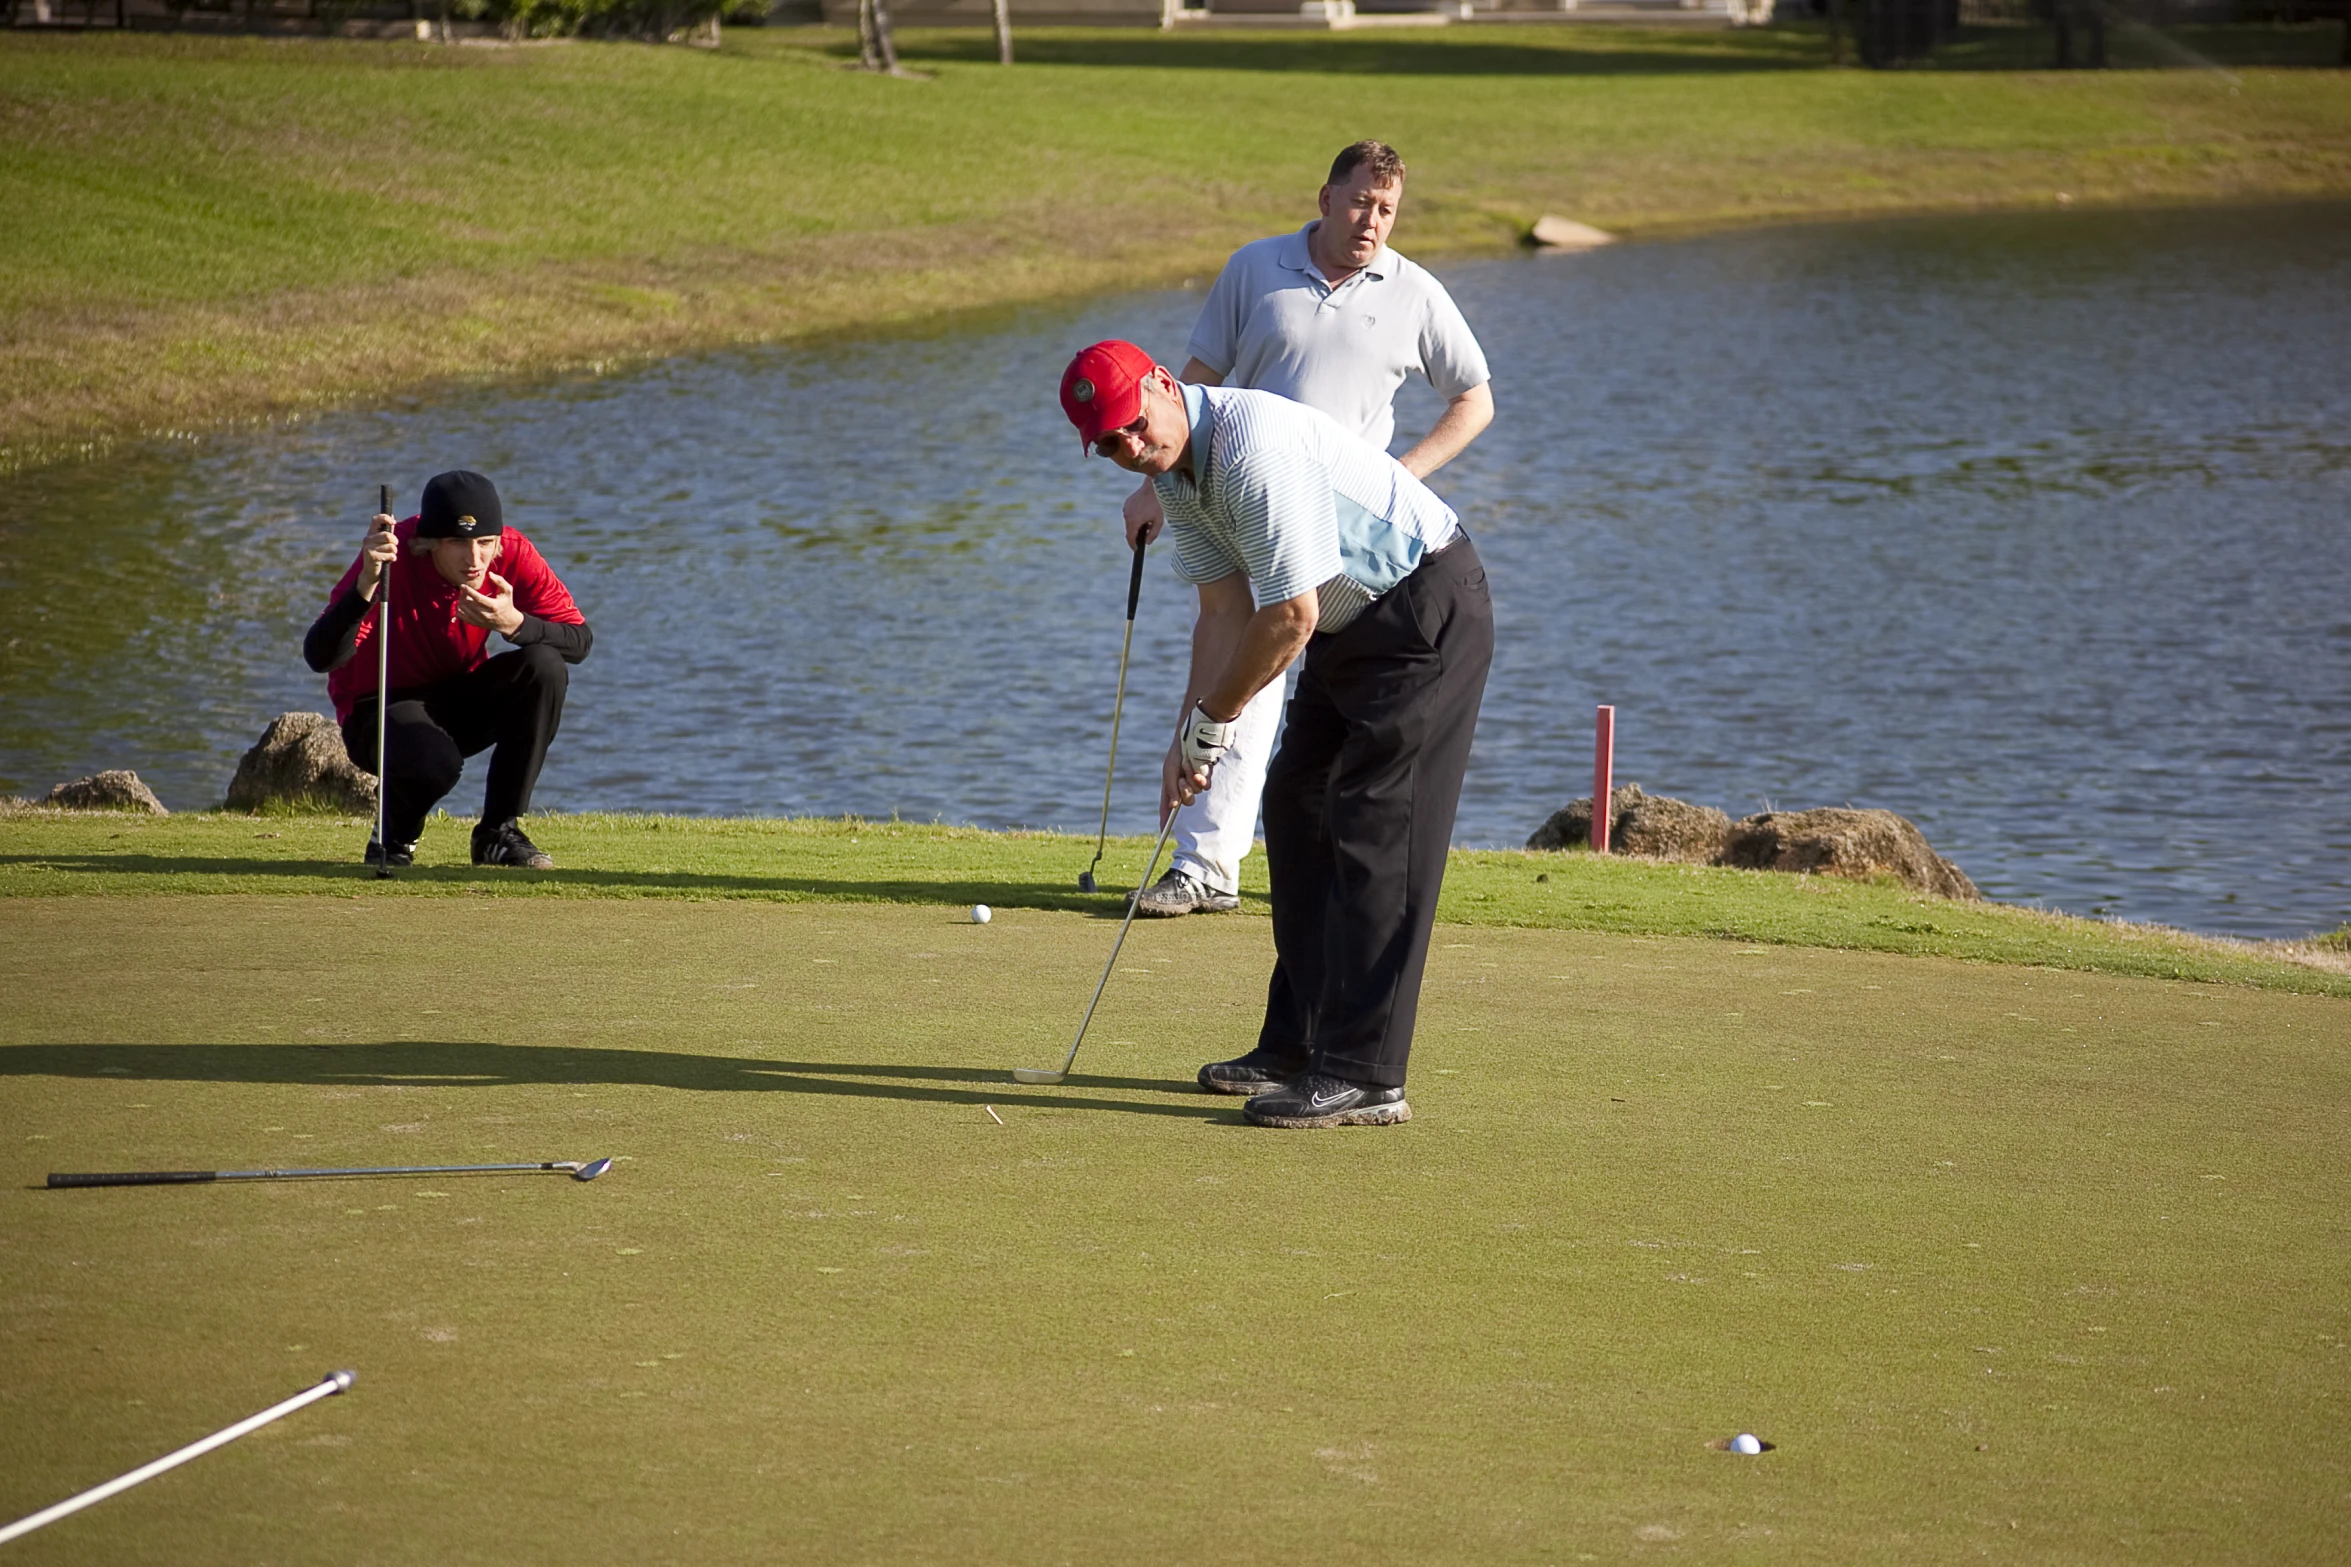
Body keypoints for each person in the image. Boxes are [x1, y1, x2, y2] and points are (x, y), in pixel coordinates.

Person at [1061, 340, 1493, 1129]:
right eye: (1110, 443)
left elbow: (1287, 616)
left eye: (1131, 423)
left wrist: (1214, 719)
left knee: (1373, 828)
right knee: (1297, 806)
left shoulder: (1248, 444)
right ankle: (1296, 1042)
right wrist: (1186, 734)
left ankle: (1365, 1072)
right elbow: (1223, 616)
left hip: (1422, 605)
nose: (1129, 446)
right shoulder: (1177, 478)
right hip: (1348, 622)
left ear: (1163, 383)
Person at [1122, 139, 1492, 919]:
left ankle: (1321, 872)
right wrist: (1160, 478)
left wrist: (1400, 478)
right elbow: (1194, 382)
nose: (1371, 222)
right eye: (1360, 202)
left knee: (1333, 708)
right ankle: (1204, 865)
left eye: (1386, 210)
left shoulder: (1415, 293)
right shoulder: (1253, 269)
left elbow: (1474, 398)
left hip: (1350, 538)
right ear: (1325, 198)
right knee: (1239, 680)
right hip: (1239, 498)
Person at [303, 469, 592, 870]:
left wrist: (514, 624)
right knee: (433, 762)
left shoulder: (514, 552)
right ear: (428, 542)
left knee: (543, 665)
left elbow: (579, 641)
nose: (474, 559)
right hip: (379, 711)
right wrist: (366, 583)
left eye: (485, 543)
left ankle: (498, 833)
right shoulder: (392, 555)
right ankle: (394, 835)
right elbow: (321, 657)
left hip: (456, 698)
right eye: (458, 542)